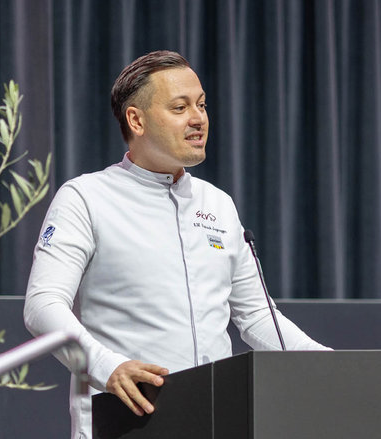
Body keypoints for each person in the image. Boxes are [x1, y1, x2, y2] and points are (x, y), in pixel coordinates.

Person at [23, 50, 328, 438]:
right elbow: (42, 305)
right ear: (136, 120)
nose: (198, 118)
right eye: (180, 107)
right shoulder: (85, 198)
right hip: (127, 418)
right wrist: (106, 366)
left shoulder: (218, 204)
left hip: (217, 418)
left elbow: (256, 316)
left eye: (202, 104)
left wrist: (327, 365)